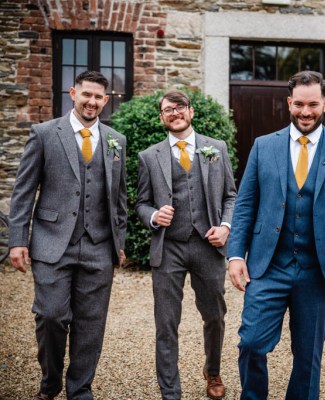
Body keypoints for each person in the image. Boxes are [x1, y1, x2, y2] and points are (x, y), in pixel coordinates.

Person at [227, 70, 325, 400]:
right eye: (298, 104)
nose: (305, 112)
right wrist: (236, 255)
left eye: (312, 105)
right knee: (251, 342)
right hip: (268, 265)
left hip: (319, 268)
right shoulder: (264, 146)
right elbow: (245, 203)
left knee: (308, 356)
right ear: (288, 103)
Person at [8, 70, 127, 400]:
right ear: (73, 93)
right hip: (51, 242)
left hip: (99, 246)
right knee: (51, 315)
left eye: (98, 97)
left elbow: (118, 197)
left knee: (91, 324)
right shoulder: (45, 134)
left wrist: (120, 242)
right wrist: (17, 239)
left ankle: (80, 390)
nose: (91, 102)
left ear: (106, 100)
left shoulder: (117, 140)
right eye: (86, 94)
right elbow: (23, 191)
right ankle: (50, 383)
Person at [135, 89, 236, 400]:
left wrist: (226, 227)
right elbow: (141, 203)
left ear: (191, 112)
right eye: (168, 110)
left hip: (208, 246)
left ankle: (213, 370)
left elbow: (231, 196)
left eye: (180, 108)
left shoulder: (216, 148)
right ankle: (170, 389)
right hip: (169, 248)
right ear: (162, 117)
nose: (175, 113)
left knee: (215, 315)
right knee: (166, 321)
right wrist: (154, 215)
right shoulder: (149, 156)